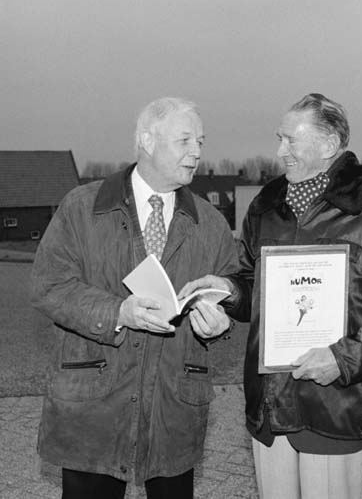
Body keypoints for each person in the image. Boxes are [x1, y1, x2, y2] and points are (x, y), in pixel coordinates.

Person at [179, 93, 362, 499]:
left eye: (290, 140)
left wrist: (342, 358)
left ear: (329, 145)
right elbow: (251, 289)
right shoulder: (266, 205)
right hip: (270, 407)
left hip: (335, 405)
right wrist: (227, 290)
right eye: (279, 139)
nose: (280, 151)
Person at [30, 97, 238, 499]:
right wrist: (117, 311)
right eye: (184, 140)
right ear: (147, 140)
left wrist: (219, 324)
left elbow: (228, 293)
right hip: (95, 408)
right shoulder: (81, 207)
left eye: (200, 141)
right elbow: (48, 286)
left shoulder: (211, 224)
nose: (196, 151)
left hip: (173, 408)